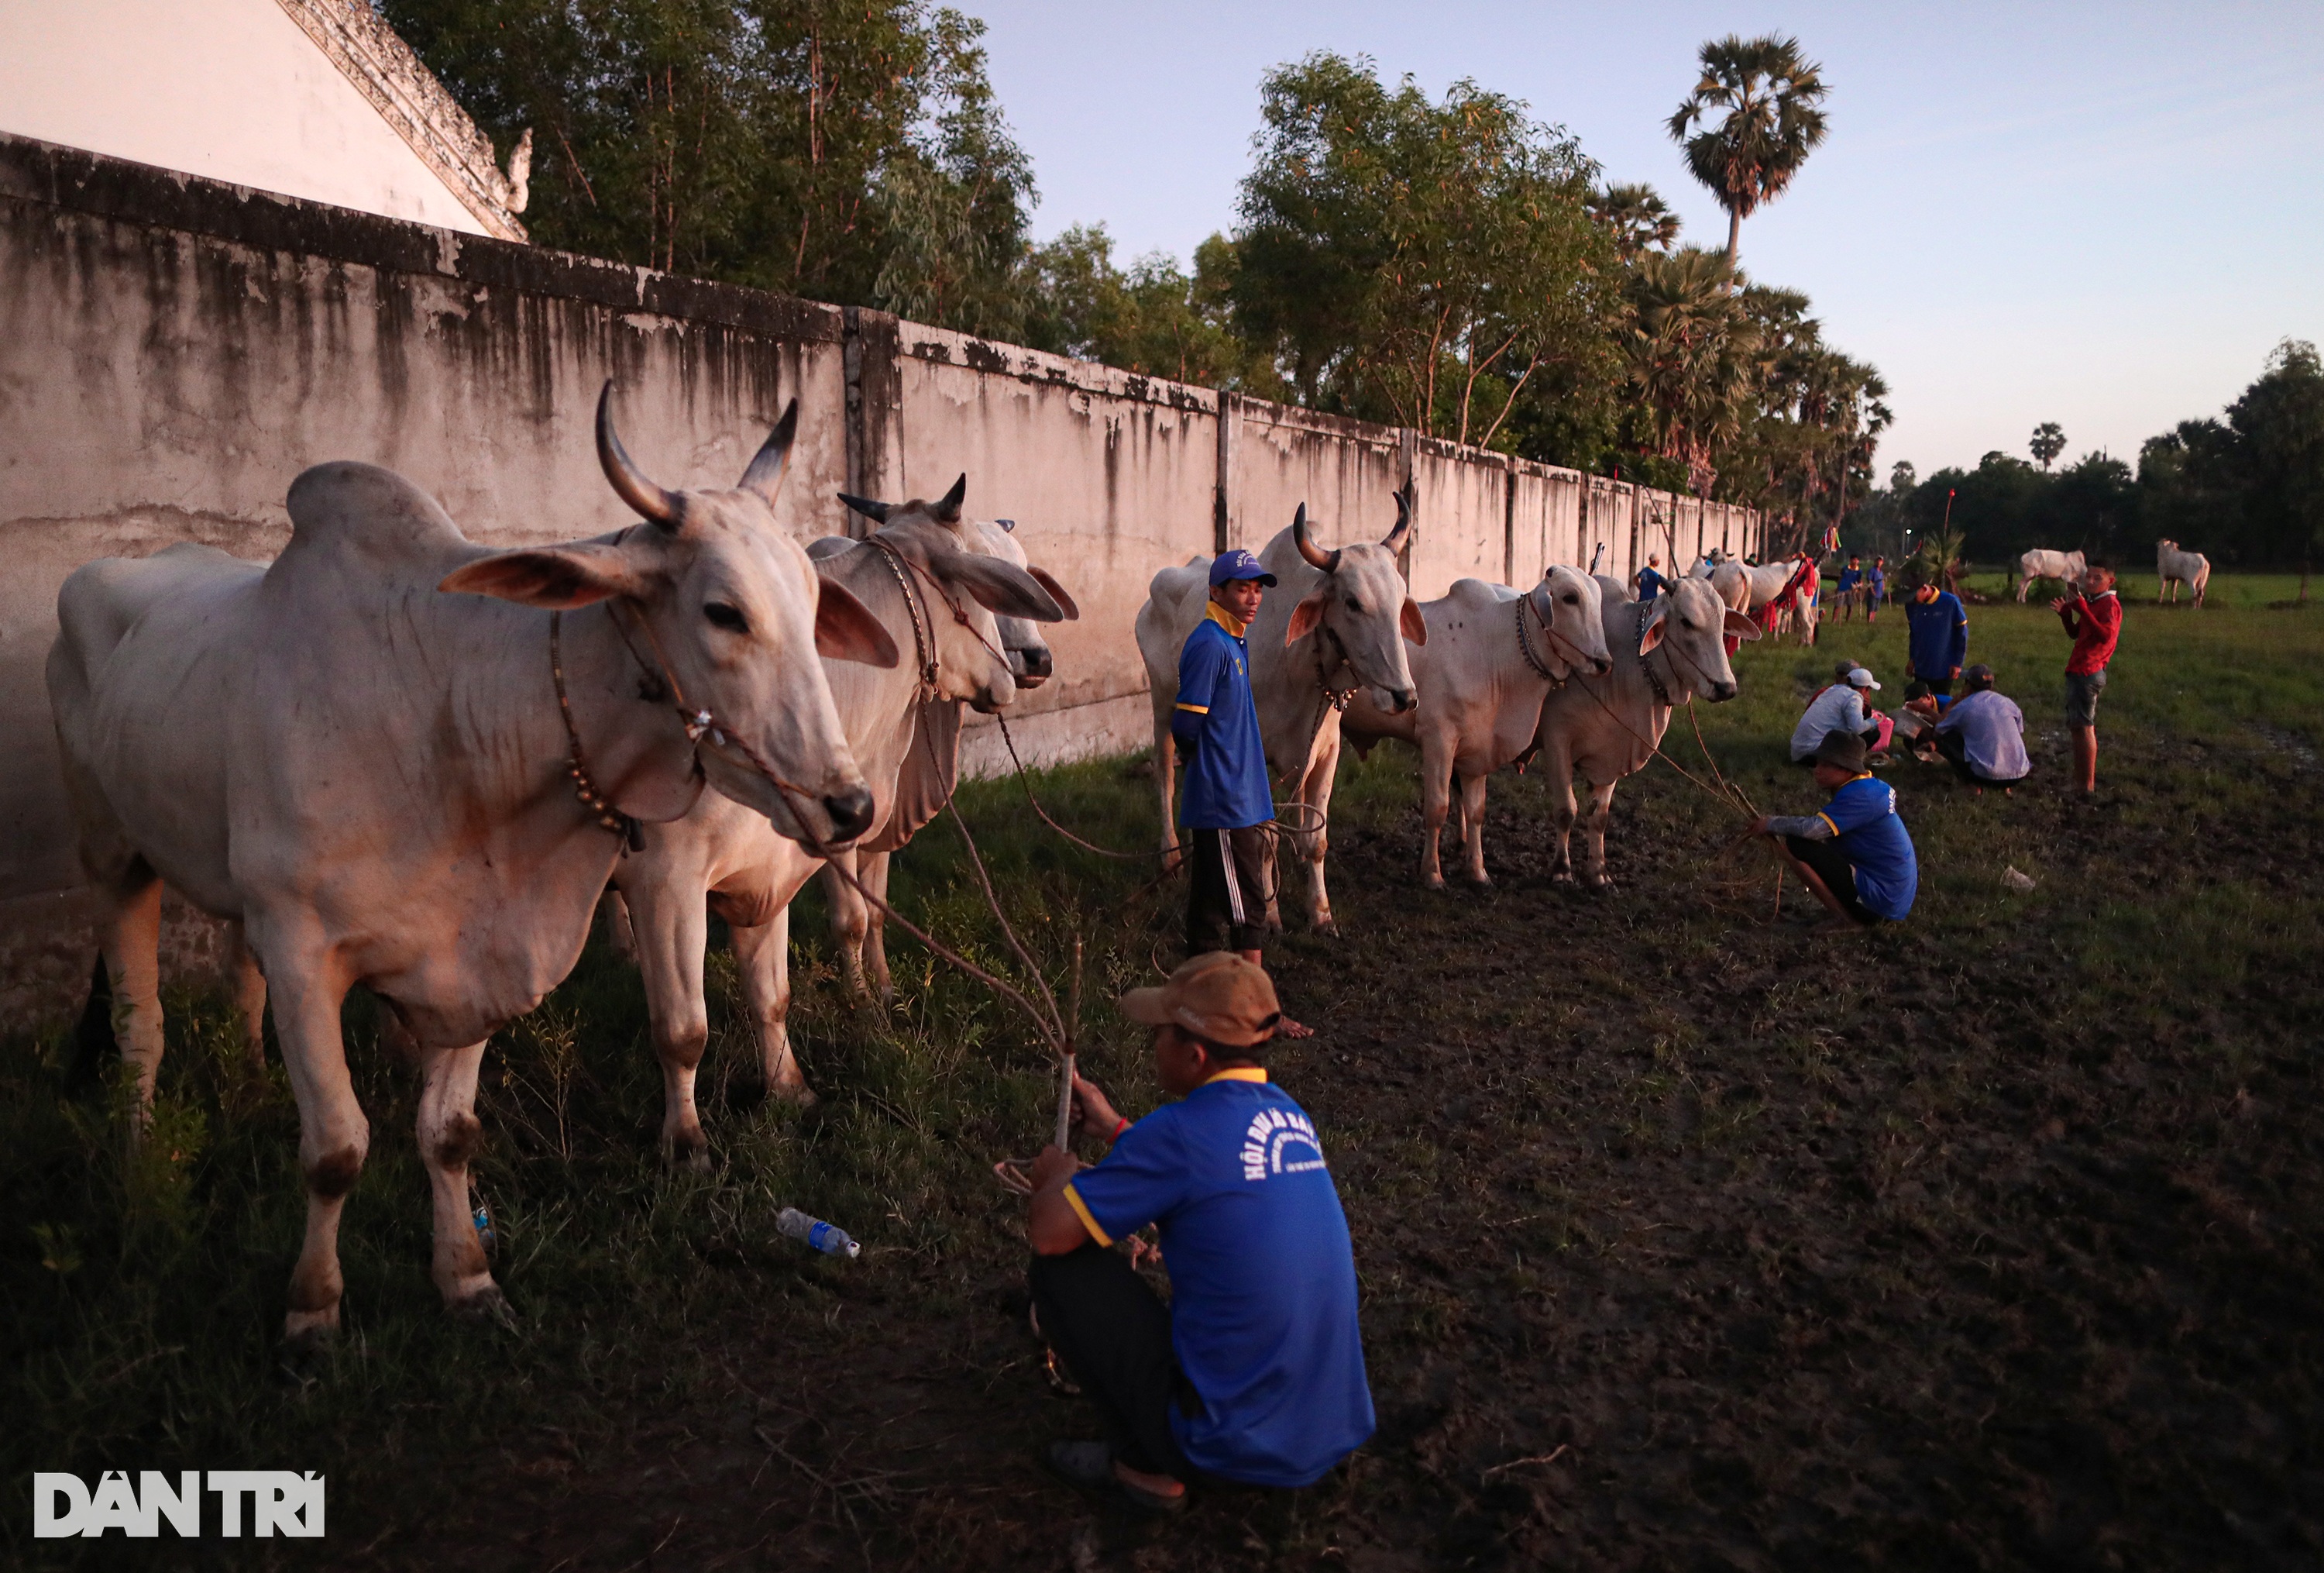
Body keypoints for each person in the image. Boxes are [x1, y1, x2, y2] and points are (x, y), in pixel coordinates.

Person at [1026, 954, 1374, 1512]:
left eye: (1161, 1033)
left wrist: (1055, 1180)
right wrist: (1118, 1130)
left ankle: (1146, 1471)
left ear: (1194, 1054)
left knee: (1061, 1270)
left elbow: (1050, 1233)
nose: (1154, 1045)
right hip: (1325, 1432)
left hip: (1226, 1450)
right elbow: (1213, 1168)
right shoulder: (1290, 1118)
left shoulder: (1178, 1132)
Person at [1174, 549, 1311, 1034]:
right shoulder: (1211, 645)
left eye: (1257, 588)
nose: (1252, 598)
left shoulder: (1234, 642)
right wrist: (1208, 764)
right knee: (1248, 905)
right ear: (1216, 592)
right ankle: (1258, 1011)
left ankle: (1196, 1001)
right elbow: (1187, 722)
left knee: (1210, 905)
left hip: (1239, 793)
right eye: (1240, 588)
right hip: (1225, 801)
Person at [1749, 731, 1917, 928]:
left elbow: (1814, 830)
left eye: (1826, 765)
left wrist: (1770, 824)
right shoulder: (1868, 788)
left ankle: (1844, 919)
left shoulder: (1861, 795)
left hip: (1879, 902)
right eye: (1818, 763)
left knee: (1797, 845)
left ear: (1847, 770)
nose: (1816, 770)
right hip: (1887, 897)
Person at [2052, 562, 2122, 796]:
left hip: (2088, 672)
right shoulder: (2094, 603)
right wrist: (2066, 615)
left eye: (2097, 578)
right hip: (2078, 669)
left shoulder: (2109, 604)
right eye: (2087, 577)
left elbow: (2105, 636)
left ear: (2110, 581)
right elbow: (2076, 633)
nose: (2090, 582)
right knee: (2077, 728)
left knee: (2084, 729)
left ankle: (2086, 785)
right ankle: (2080, 781)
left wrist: (2083, 609)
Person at [1932, 665, 2030, 793]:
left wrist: (1951, 704)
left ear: (1968, 685)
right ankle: (2007, 787)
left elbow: (1939, 730)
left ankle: (1971, 784)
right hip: (2019, 774)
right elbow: (2018, 732)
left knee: (1944, 738)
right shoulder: (2008, 703)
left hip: (1985, 776)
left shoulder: (1963, 707)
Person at [1790, 664, 1884, 763]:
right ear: (1864, 689)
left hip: (1798, 752)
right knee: (1872, 733)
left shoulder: (1833, 689)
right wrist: (1873, 721)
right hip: (1814, 754)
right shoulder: (1854, 698)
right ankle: (1850, 762)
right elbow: (1858, 728)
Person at [1904, 578, 1968, 698]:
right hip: (1921, 666)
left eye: (1913, 596)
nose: (1912, 600)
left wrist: (1957, 663)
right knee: (1919, 702)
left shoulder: (1950, 602)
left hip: (1943, 667)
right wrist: (1912, 658)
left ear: (1924, 589)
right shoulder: (1912, 606)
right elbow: (1913, 633)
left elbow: (1962, 634)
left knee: (1939, 703)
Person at [1834, 555, 1863, 621]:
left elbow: (1860, 580)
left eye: (1856, 560)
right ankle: (1834, 620)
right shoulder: (1845, 568)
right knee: (1838, 605)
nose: (1855, 561)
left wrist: (1859, 586)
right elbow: (1840, 578)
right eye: (1854, 560)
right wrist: (1837, 587)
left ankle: (1848, 620)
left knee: (1850, 605)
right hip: (1842, 588)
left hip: (1851, 590)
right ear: (1850, 560)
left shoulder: (1859, 571)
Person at [1866, 556, 1888, 624]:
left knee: (1876, 607)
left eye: (1880, 561)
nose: (1879, 562)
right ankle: (1869, 620)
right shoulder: (1872, 570)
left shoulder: (1881, 571)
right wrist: (1872, 590)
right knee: (1871, 606)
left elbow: (1882, 580)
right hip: (1873, 591)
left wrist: (1883, 587)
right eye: (1878, 561)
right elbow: (1869, 581)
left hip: (1879, 592)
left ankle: (1873, 620)